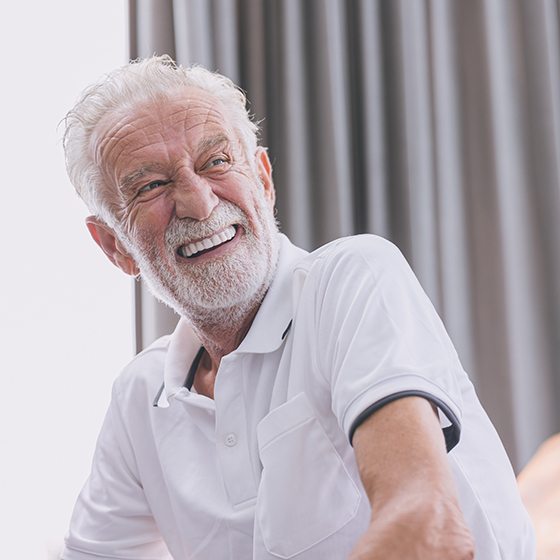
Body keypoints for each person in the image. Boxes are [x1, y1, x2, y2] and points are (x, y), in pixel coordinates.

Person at [60, 55, 534, 560]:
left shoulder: (351, 279)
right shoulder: (141, 398)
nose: (198, 202)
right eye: (151, 186)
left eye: (216, 162)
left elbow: (427, 529)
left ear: (263, 179)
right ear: (115, 246)